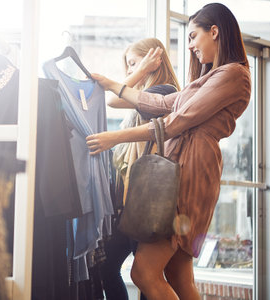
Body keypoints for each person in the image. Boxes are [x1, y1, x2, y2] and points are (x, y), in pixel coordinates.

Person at [86, 3, 251, 300]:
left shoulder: (233, 74)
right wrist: (113, 84)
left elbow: (176, 122)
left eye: (192, 37)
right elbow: (163, 105)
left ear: (214, 32)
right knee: (177, 276)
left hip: (189, 173)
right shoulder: (209, 78)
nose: (190, 47)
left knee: (143, 273)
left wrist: (115, 137)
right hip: (186, 170)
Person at [100, 38, 180, 300]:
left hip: (148, 198)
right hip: (139, 198)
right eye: (129, 66)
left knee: (145, 275)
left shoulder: (163, 93)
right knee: (122, 268)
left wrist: (142, 69)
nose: (130, 72)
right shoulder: (147, 96)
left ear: (154, 61)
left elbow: (112, 100)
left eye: (134, 63)